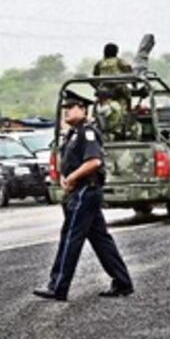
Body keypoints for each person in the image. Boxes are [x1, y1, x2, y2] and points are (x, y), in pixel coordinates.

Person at [33, 90, 133, 302]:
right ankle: (123, 282)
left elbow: (94, 162)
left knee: (70, 237)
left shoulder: (87, 133)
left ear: (83, 109)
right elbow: (69, 162)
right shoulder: (72, 134)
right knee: (101, 239)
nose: (66, 112)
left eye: (70, 108)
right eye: (65, 109)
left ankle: (58, 286)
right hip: (80, 191)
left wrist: (72, 178)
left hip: (86, 190)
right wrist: (64, 178)